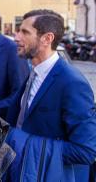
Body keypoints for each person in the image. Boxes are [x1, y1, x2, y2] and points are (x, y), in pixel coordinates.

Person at [5, 9, 96, 181]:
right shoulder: (33, 73)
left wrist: (25, 144)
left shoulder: (72, 83)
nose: (16, 37)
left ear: (47, 38)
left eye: (24, 32)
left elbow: (86, 151)